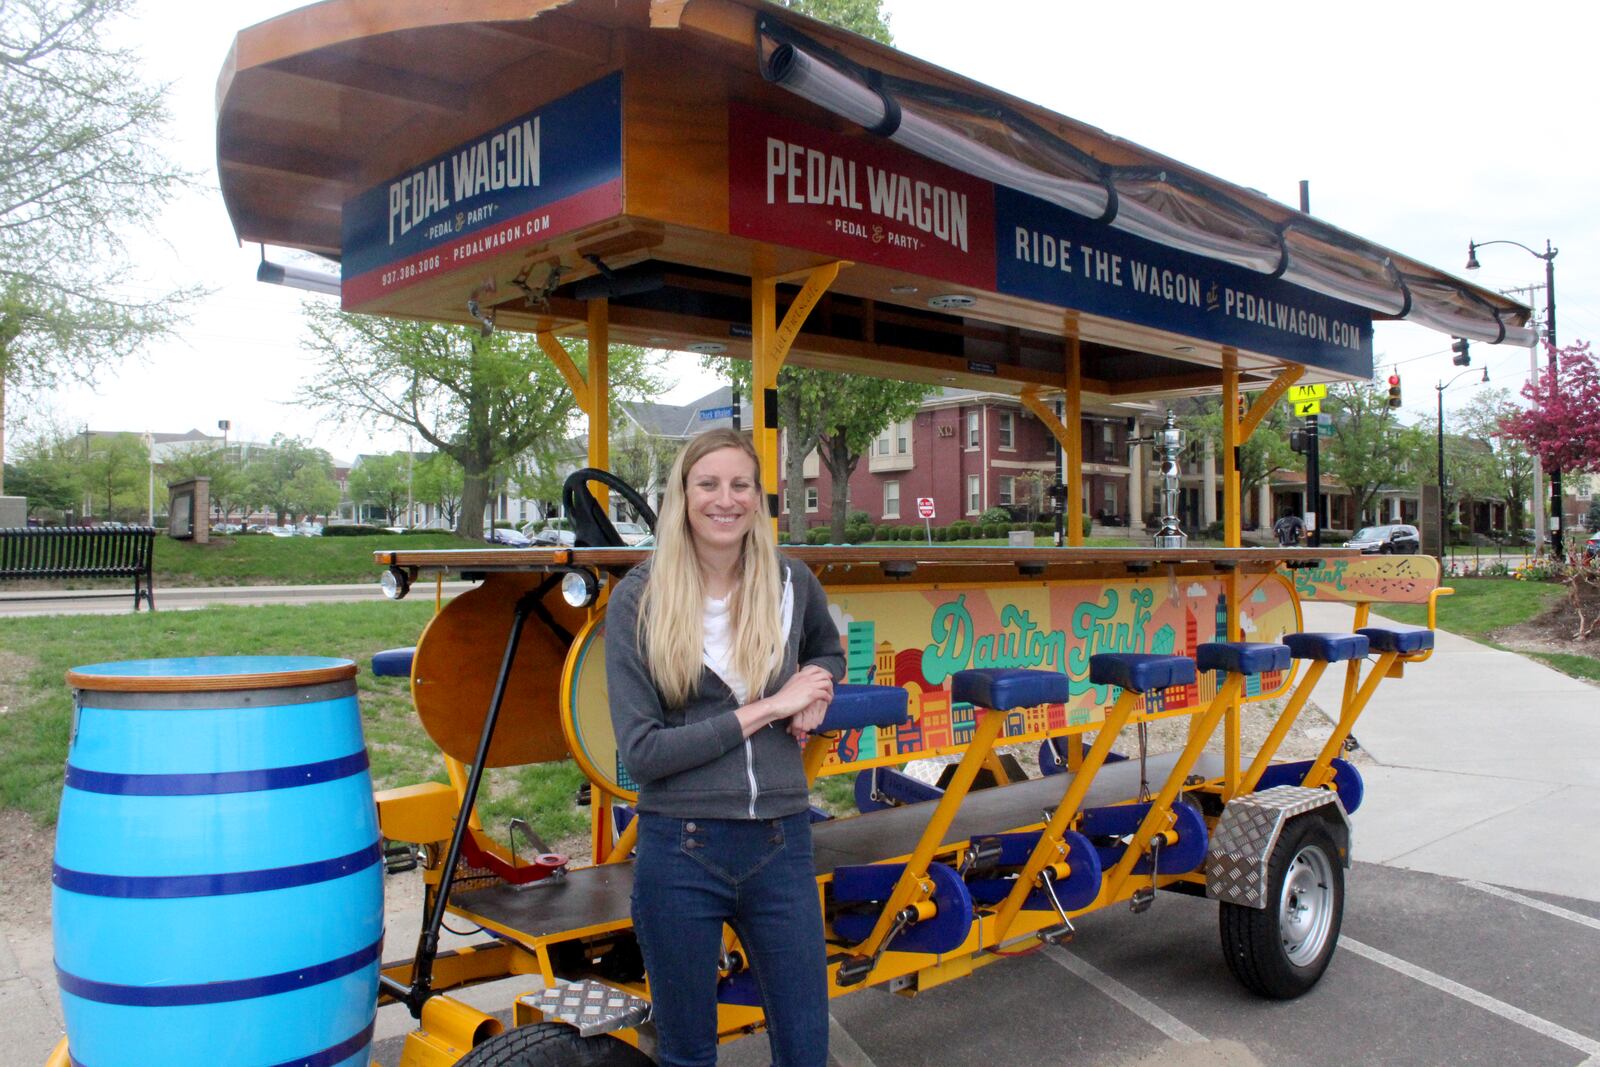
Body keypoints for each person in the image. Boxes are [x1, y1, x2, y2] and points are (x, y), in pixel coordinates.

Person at [606, 428, 845, 1067]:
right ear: (682, 495)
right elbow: (645, 753)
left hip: (780, 843)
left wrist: (817, 690)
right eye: (707, 483)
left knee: (804, 1049)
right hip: (679, 852)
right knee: (688, 1055)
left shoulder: (791, 581)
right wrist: (770, 706)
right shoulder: (638, 599)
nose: (726, 499)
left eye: (741, 485)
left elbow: (826, 648)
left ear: (758, 498)